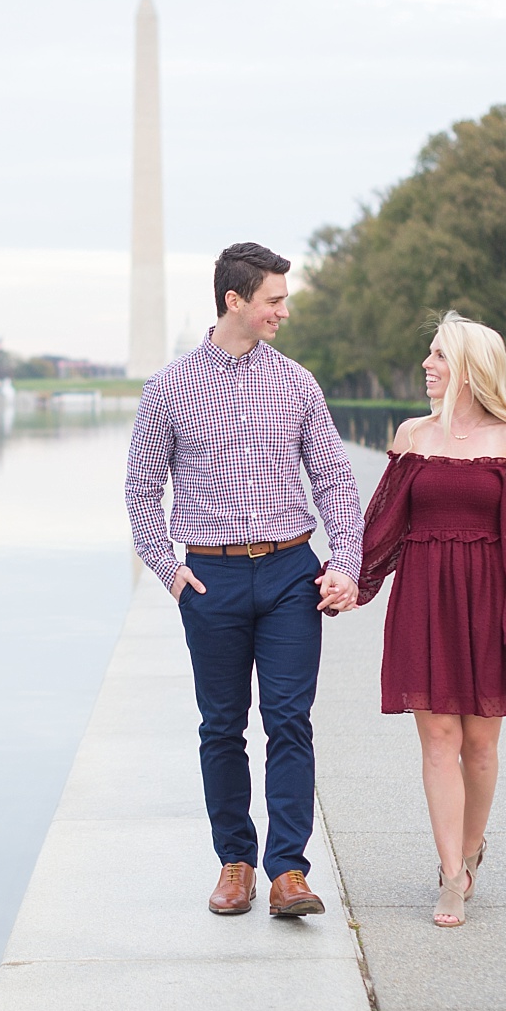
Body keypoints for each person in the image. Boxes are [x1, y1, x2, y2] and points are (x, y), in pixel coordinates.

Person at [125, 242, 364, 918]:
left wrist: (344, 563)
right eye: (275, 300)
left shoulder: (297, 384)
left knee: (290, 720)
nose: (284, 311)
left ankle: (289, 871)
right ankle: (236, 863)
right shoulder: (168, 389)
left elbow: (337, 482)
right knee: (222, 726)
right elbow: (142, 491)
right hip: (211, 580)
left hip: (291, 570)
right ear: (235, 300)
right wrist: (170, 572)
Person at [355, 311, 506, 929]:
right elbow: (382, 524)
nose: (427, 365)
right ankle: (449, 875)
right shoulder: (412, 435)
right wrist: (352, 579)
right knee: (438, 738)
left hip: (488, 599)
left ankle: (471, 851)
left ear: (470, 368)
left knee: (480, 743)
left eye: (440, 356)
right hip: (424, 597)